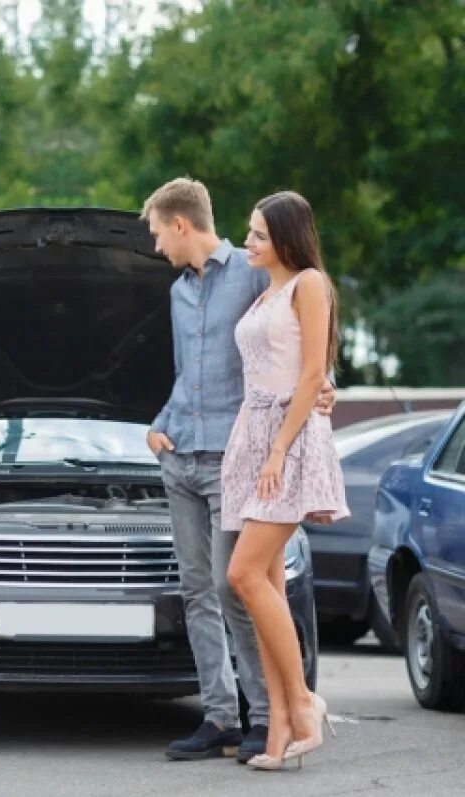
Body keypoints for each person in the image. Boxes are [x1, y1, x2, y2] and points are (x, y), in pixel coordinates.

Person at [141, 178, 334, 764]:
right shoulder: (176, 293)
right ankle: (221, 717)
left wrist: (325, 389)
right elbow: (185, 374)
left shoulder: (256, 269)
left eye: (156, 234)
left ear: (180, 225)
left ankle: (268, 711)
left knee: (237, 587)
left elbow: (304, 343)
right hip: (181, 455)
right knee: (197, 589)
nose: (155, 248)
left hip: (239, 458)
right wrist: (158, 422)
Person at [223, 191, 349, 770]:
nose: (248, 243)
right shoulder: (264, 292)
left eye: (258, 236)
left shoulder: (309, 285)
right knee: (264, 582)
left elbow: (314, 373)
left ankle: (303, 702)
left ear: (286, 240)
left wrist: (277, 449)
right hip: (254, 437)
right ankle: (277, 732)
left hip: (288, 442)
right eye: (248, 233)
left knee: (243, 575)